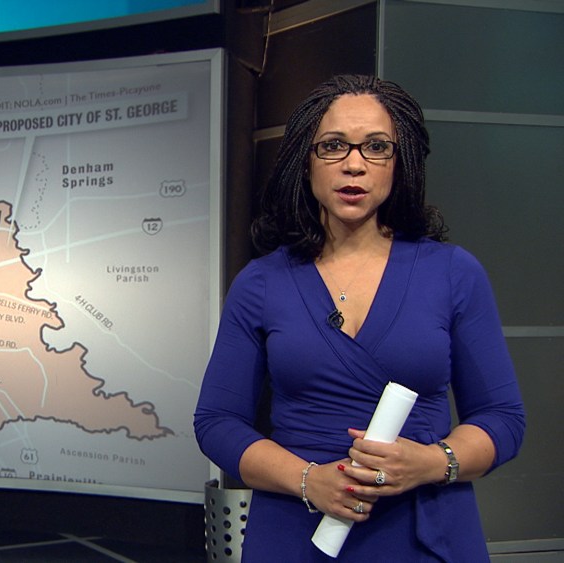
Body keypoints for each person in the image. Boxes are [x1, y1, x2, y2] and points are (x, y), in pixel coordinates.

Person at [194, 75, 525, 561]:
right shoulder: (261, 283)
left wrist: (431, 462)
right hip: (297, 529)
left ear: (400, 162)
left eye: (376, 147)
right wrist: (309, 481)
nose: (354, 164)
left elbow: (503, 419)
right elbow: (217, 422)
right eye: (333, 146)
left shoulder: (454, 272)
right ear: (305, 160)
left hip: (424, 531)